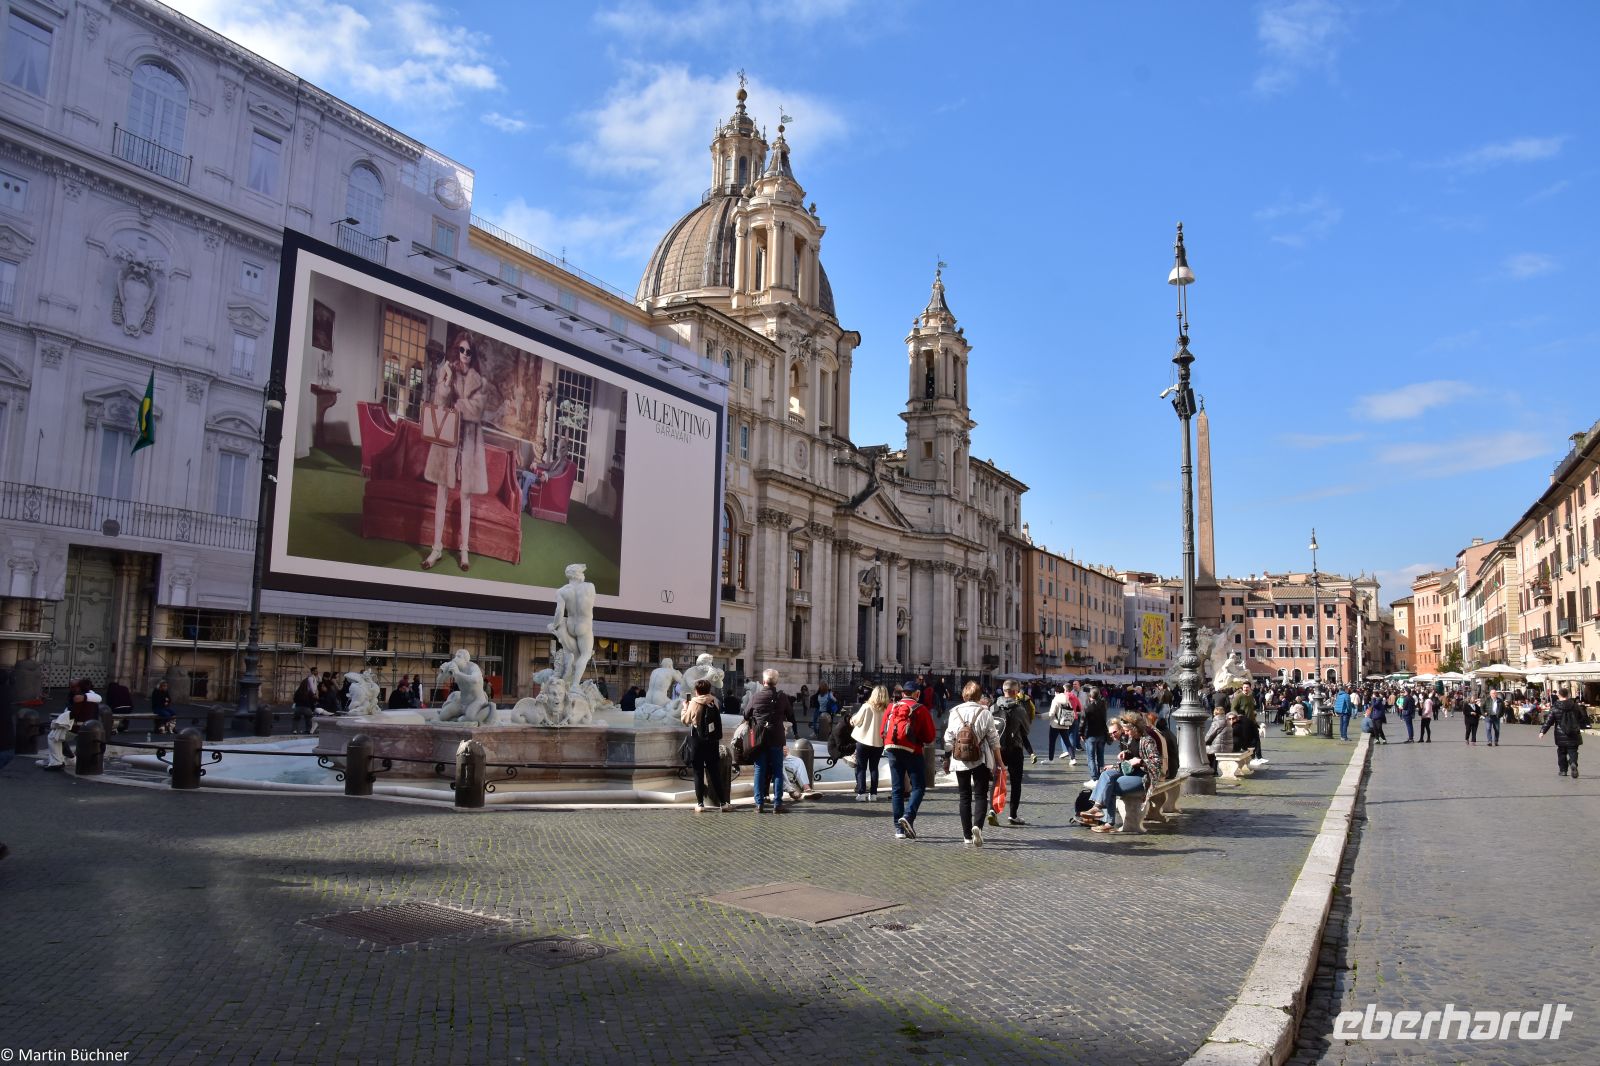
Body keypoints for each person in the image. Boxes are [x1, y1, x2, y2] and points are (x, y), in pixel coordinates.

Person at [421, 327, 489, 572]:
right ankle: (436, 548)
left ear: (473, 356)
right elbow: (439, 402)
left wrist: (459, 404)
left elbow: (476, 411)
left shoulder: (479, 381)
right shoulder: (446, 371)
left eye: (468, 352)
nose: (464, 355)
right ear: (456, 350)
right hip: (447, 444)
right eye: (461, 350)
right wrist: (446, 383)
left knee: (466, 498)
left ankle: (464, 551)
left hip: (467, 445)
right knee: (441, 494)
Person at [1083, 713, 1164, 833]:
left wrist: (1141, 761)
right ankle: (1097, 807)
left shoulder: (1147, 741)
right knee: (1106, 775)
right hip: (1131, 772)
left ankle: (1108, 822)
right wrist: (1126, 754)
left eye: (1127, 730)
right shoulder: (1131, 739)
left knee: (1111, 785)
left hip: (1143, 776)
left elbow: (1157, 762)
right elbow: (1131, 758)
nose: (1125, 733)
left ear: (1135, 729)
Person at [943, 681, 999, 846]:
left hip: (960, 759)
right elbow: (994, 740)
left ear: (964, 695)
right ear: (979, 696)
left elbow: (948, 739)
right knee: (981, 795)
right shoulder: (985, 712)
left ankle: (967, 835)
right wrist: (1000, 762)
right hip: (980, 757)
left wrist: (947, 758)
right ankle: (978, 827)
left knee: (964, 795)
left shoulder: (954, 712)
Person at [882, 679, 937, 840]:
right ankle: (908, 816)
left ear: (902, 693)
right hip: (912, 750)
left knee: (897, 789)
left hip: (891, 748)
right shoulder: (920, 709)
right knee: (919, 786)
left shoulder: (892, 708)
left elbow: (882, 730)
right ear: (916, 694)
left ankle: (898, 829)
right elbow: (929, 736)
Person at [744, 669, 791, 813]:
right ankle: (778, 804)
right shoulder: (782, 697)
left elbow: (746, 714)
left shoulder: (756, 696)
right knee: (777, 771)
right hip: (776, 737)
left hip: (760, 738)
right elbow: (790, 714)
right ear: (776, 682)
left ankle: (759, 803)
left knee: (759, 769)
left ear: (764, 681)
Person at [548, 563, 597, 687]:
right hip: (584, 625)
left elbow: (559, 612)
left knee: (576, 655)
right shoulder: (589, 587)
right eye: (582, 573)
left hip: (570, 625)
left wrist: (554, 625)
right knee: (585, 655)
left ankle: (569, 678)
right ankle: (575, 685)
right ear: (579, 575)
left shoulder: (562, 591)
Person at [682, 679, 726, 812]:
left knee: (698, 773)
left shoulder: (694, 702)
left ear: (696, 691)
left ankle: (700, 804)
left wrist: (685, 708)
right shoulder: (715, 701)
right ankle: (723, 803)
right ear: (709, 689)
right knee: (714, 772)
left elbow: (685, 720)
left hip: (697, 741)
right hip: (712, 741)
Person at [992, 680, 1031, 826]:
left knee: (997, 780)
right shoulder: (1020, 709)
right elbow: (1026, 729)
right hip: (1015, 748)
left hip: (997, 748)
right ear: (1016, 692)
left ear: (1003, 691)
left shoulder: (993, 706)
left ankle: (992, 810)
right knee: (1016, 783)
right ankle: (1013, 815)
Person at [848, 685, 889, 801]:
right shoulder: (886, 710)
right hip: (878, 742)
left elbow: (856, 721)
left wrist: (851, 719)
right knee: (874, 768)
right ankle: (874, 794)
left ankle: (861, 793)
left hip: (863, 741)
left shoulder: (866, 707)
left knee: (861, 767)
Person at [1540, 685, 1587, 778]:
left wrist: (1542, 731)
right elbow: (1582, 717)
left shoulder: (1555, 707)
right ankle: (1573, 762)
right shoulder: (1575, 705)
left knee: (1561, 752)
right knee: (1573, 750)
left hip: (1560, 733)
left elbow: (1549, 720)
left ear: (1559, 695)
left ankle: (1563, 770)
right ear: (1568, 695)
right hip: (1574, 732)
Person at [1081, 685, 1110, 786]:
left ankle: (1094, 778)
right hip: (1101, 734)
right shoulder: (1103, 705)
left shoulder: (1087, 707)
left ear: (1090, 696)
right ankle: (1101, 775)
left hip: (1091, 734)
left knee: (1091, 758)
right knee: (1100, 757)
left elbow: (1083, 722)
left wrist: (1081, 733)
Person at [1045, 685, 1078, 764]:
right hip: (1065, 724)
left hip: (1055, 724)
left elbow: (1051, 713)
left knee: (1052, 742)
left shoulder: (1055, 700)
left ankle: (1051, 759)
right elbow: (1072, 711)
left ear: (1056, 692)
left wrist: (1041, 716)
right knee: (1067, 742)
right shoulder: (1067, 700)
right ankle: (1073, 759)